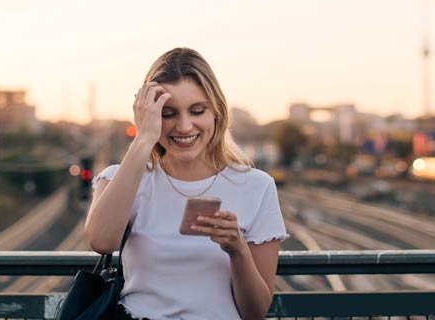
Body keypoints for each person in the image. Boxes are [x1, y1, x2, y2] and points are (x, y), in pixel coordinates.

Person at [84, 47, 289, 320]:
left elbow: (255, 313)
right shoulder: (122, 177)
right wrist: (144, 138)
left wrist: (237, 249)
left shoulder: (257, 186)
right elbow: (101, 241)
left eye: (197, 110)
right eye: (168, 113)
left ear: (216, 112)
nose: (184, 126)